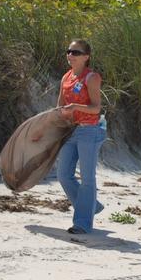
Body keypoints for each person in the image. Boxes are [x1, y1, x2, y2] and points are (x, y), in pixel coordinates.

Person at [53, 39, 106, 234]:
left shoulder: (91, 77)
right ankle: (92, 206)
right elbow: (59, 107)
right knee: (64, 175)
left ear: (86, 57)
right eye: (68, 51)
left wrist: (75, 107)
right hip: (70, 131)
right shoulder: (66, 77)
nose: (70, 55)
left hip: (89, 130)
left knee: (87, 178)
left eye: (75, 52)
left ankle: (82, 223)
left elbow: (96, 108)